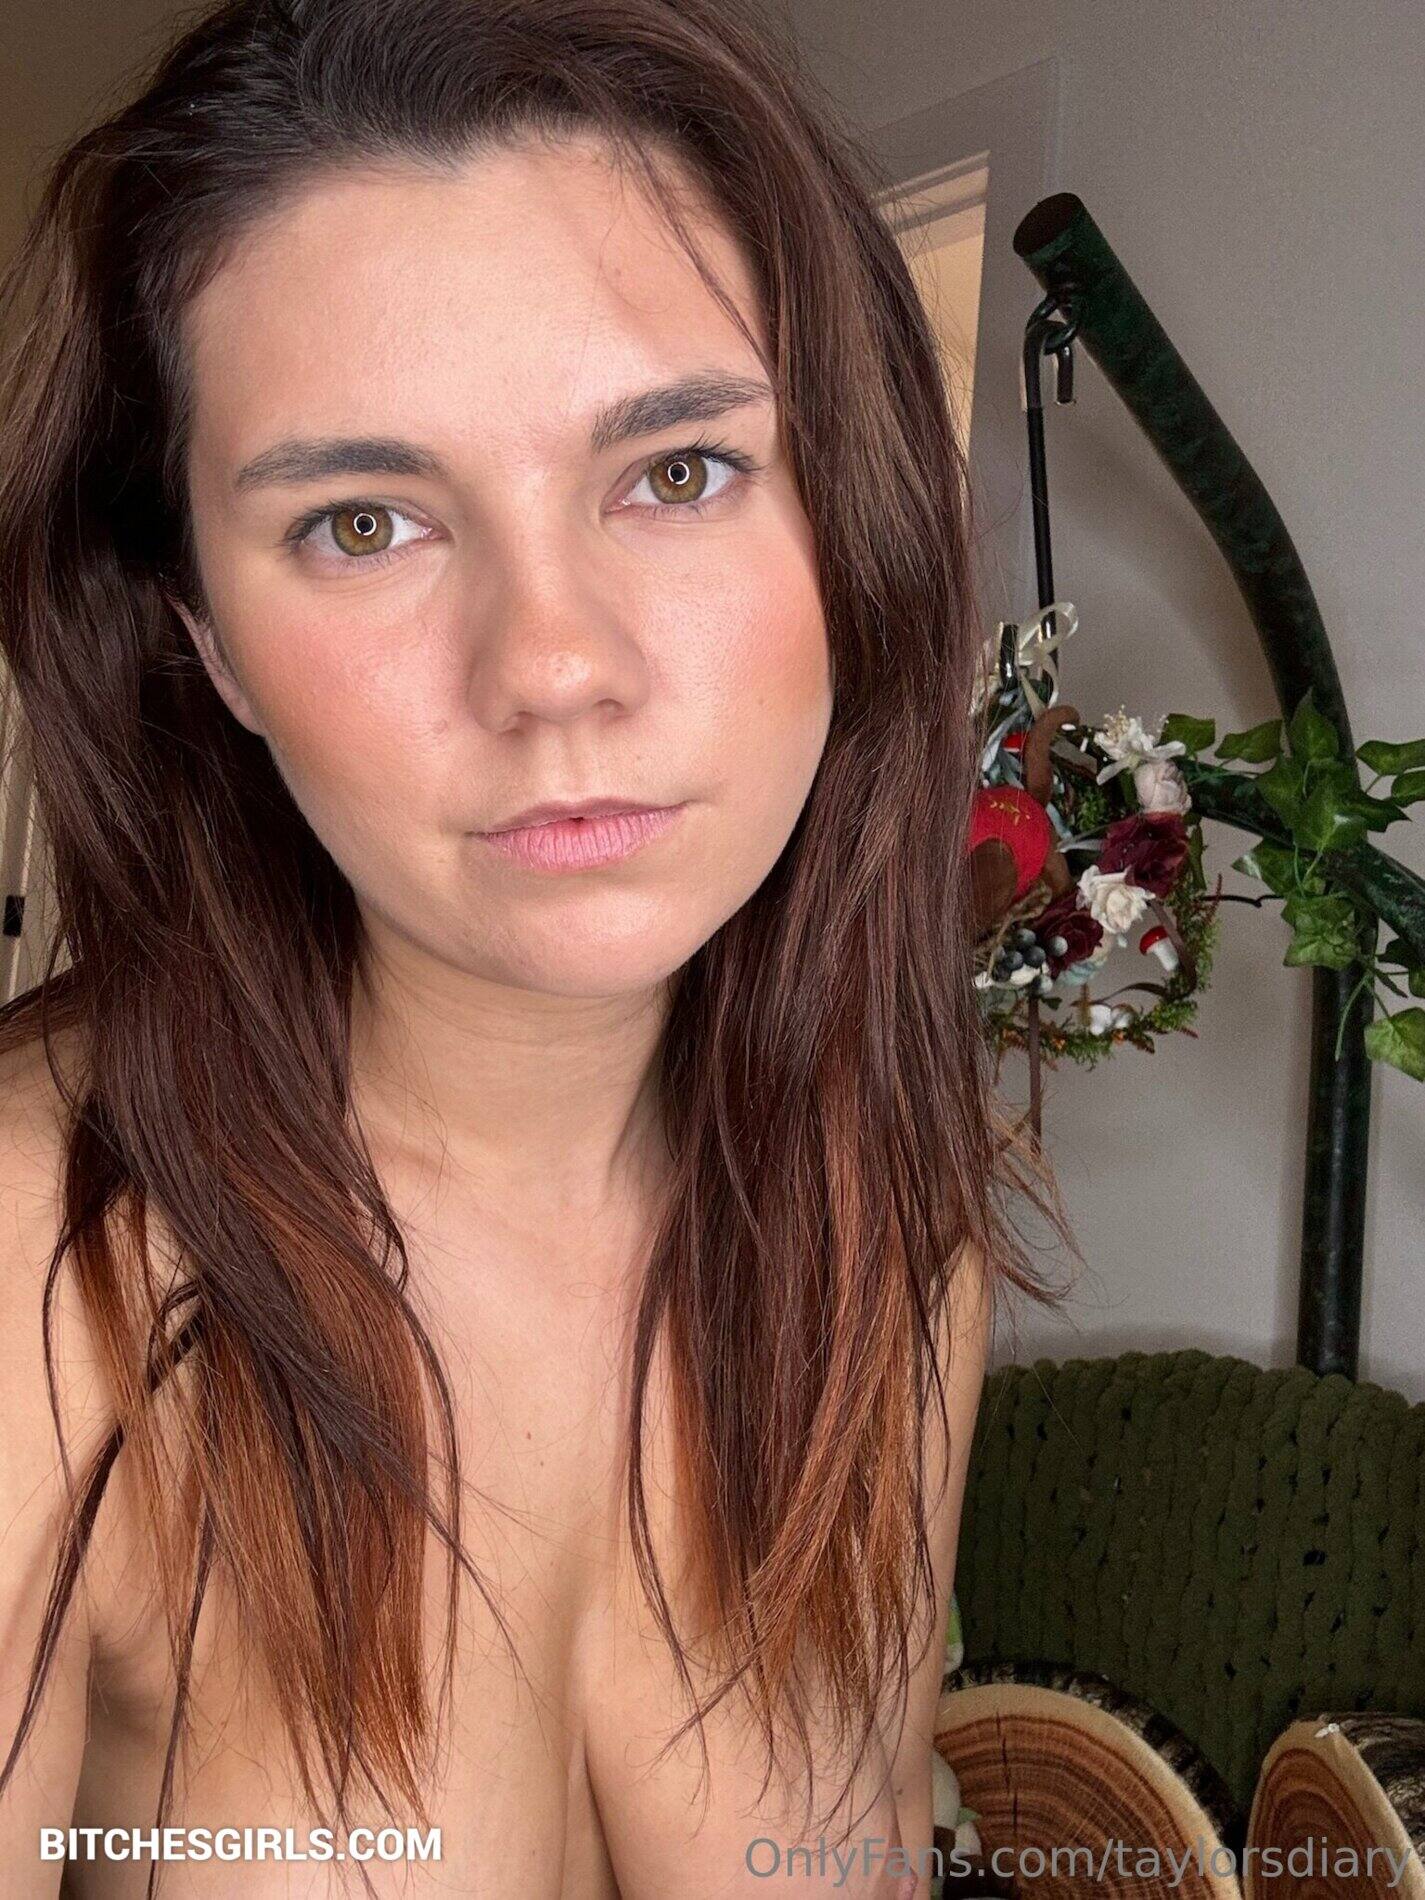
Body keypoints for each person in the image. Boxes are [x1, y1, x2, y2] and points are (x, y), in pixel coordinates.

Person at [0, 0, 1070, 1891]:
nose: (555, 665)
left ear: (854, 519)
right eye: (361, 522)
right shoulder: (43, 1274)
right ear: (207, 642)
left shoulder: (888, 1225)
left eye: (678, 471)